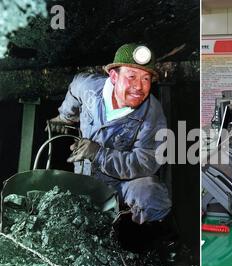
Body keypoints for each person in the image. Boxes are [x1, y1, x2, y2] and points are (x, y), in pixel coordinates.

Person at [47, 43, 173, 246]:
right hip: (84, 175)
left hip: (121, 182)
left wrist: (98, 154)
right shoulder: (88, 87)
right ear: (114, 77)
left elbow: (146, 162)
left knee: (149, 192)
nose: (139, 86)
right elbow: (74, 88)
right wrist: (65, 117)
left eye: (146, 78)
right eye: (131, 76)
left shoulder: (152, 114)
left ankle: (161, 246)